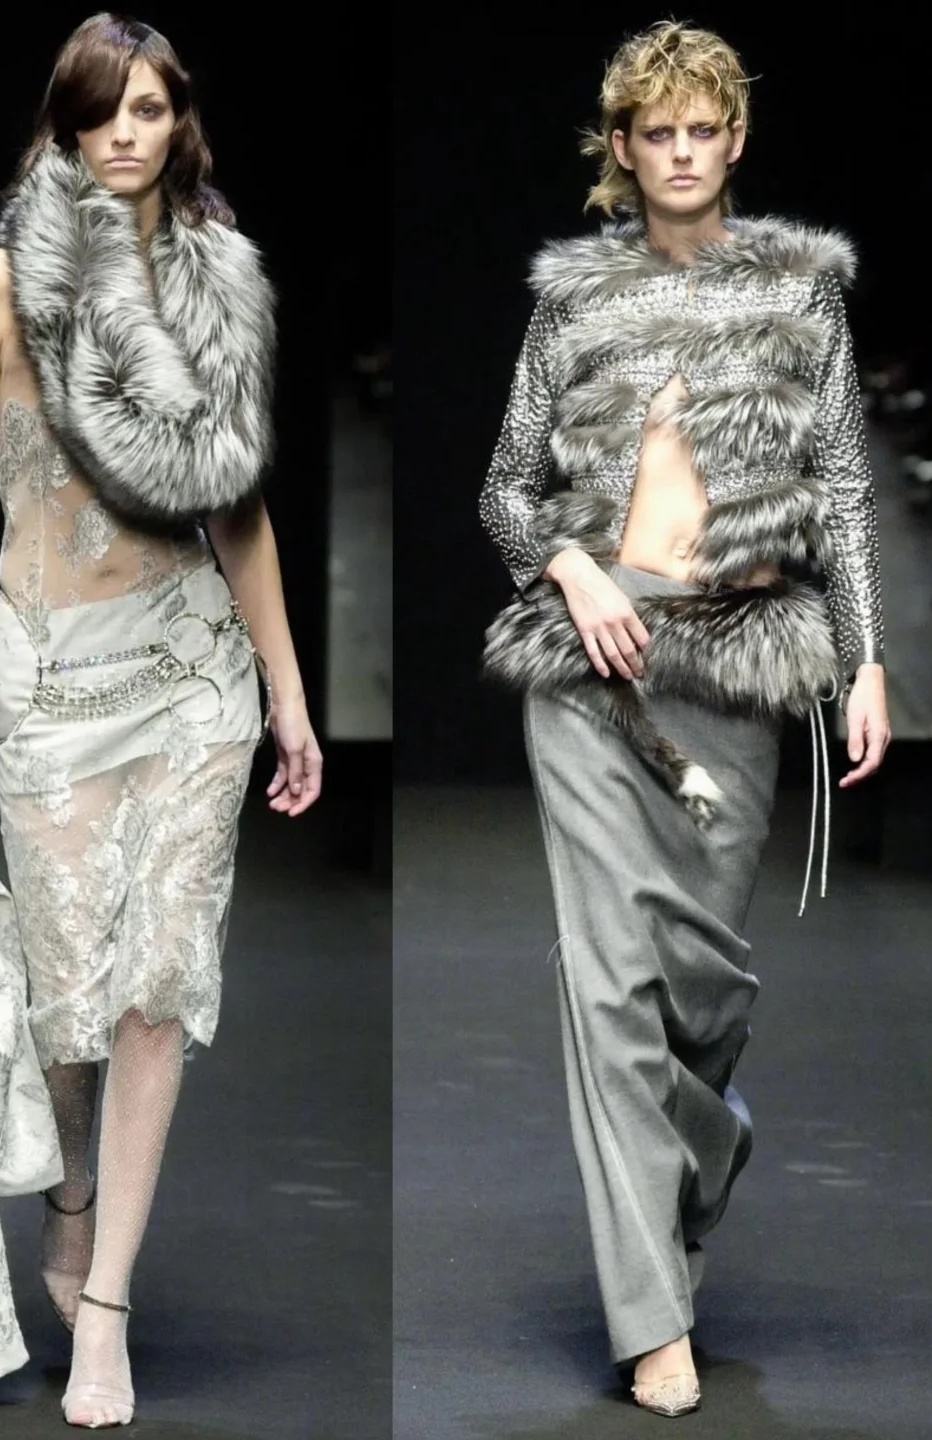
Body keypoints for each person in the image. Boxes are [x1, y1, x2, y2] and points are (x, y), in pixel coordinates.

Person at [0, 12, 322, 1429]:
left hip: (191, 669)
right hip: (51, 676)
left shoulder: (215, 280)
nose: (125, 134)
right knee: (65, 997)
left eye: (148, 108)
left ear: (178, 120)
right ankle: (69, 1194)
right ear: (65, 125)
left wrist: (289, 695)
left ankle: (108, 1305)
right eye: (101, 110)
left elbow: (239, 510)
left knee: (155, 987)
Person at [478, 21, 889, 1419]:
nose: (681, 153)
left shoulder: (798, 293)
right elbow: (504, 488)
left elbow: (842, 486)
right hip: (596, 667)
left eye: (702, 129)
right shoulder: (574, 300)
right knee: (609, 989)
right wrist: (574, 566)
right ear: (623, 146)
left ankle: (684, 1192)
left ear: (735, 137)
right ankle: (654, 1319)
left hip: (741, 665)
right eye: (656, 132)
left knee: (703, 1004)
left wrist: (869, 661)